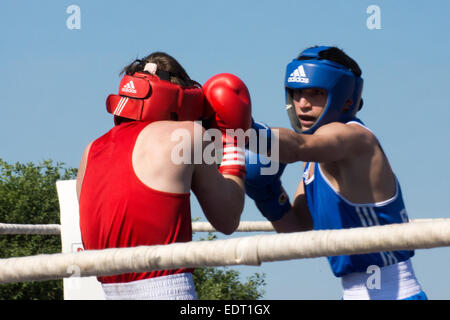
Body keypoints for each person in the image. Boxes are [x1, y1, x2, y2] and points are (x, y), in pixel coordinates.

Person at [245, 46, 428, 300]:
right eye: (297, 93)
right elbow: (298, 232)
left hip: (393, 294)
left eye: (316, 93)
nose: (303, 104)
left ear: (347, 99)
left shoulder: (353, 138)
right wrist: (268, 195)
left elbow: (297, 147)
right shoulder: (314, 161)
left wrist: (244, 129)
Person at [76, 52, 252, 300]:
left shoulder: (90, 151)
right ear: (181, 100)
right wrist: (234, 142)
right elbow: (228, 219)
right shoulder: (186, 135)